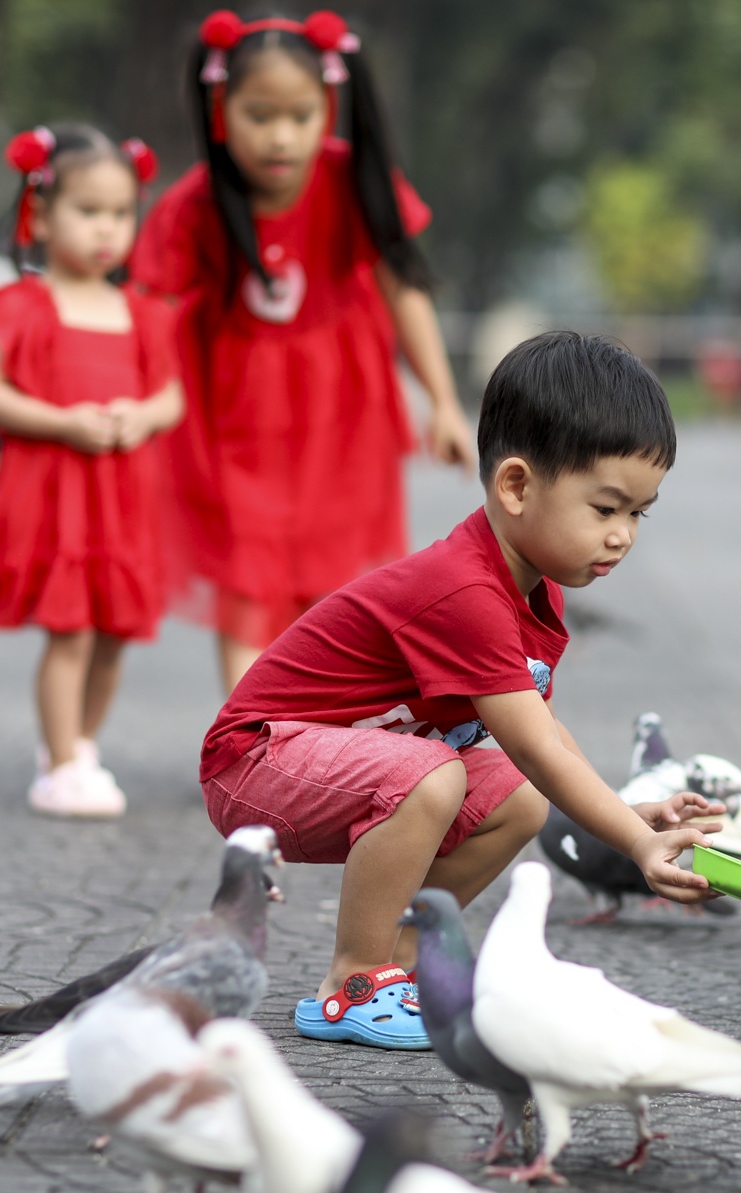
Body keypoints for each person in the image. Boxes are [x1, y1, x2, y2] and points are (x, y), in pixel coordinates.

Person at [200, 332, 722, 1048]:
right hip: (253, 763)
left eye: (639, 512)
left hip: (346, 759)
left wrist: (631, 810)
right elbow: (540, 744)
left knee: (516, 794)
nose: (623, 536)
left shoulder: (534, 587)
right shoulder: (467, 591)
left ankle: (404, 966)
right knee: (436, 776)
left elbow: (537, 742)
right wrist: (635, 843)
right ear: (515, 487)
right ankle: (352, 982)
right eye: (604, 509)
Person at [132, 8, 474, 696]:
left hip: (341, 418)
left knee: (334, 580)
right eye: (259, 115)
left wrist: (442, 402)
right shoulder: (197, 203)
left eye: (301, 114)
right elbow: (150, 309)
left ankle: (315, 733)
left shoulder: (353, 182)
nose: (281, 136)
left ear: (331, 107)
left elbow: (405, 291)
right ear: (220, 108)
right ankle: (250, 734)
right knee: (248, 580)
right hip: (232, 422)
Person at [0, 125, 183, 818]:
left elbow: (171, 394)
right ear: (40, 213)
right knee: (70, 627)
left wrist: (141, 415)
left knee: (114, 633)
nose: (106, 229)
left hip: (122, 494)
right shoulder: (17, 306)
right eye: (87, 211)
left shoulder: (143, 313)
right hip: (58, 493)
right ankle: (63, 761)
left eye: (120, 213)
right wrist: (66, 420)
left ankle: (78, 744)